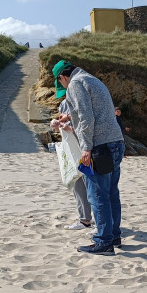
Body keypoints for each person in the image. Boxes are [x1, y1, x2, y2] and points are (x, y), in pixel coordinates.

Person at [53, 60, 125, 255]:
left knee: (97, 194)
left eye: (61, 83)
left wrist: (86, 147)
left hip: (100, 145)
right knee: (111, 193)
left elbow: (86, 118)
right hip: (116, 141)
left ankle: (103, 242)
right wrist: (69, 117)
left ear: (63, 77)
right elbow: (97, 111)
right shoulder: (93, 80)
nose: (64, 87)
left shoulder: (75, 84)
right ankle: (114, 236)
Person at [53, 81, 93, 231]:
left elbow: (88, 125)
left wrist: (70, 128)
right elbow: (63, 128)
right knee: (80, 184)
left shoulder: (81, 101)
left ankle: (88, 220)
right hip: (74, 148)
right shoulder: (65, 103)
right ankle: (86, 219)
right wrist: (58, 126)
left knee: (88, 184)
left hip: (85, 148)